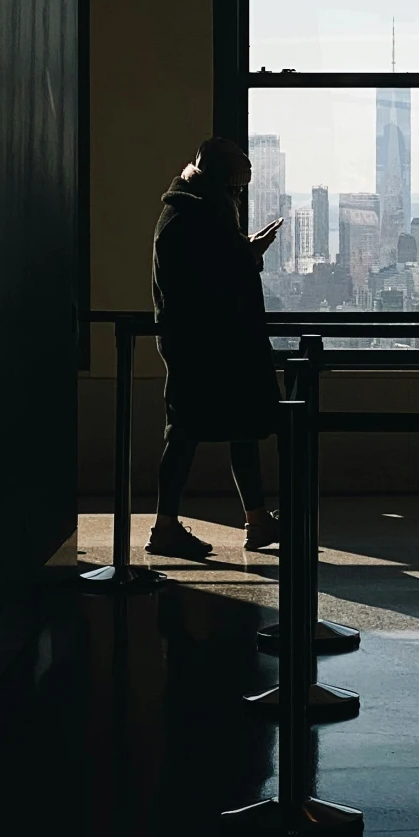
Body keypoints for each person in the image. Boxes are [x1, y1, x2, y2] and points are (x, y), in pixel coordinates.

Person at [148, 137, 285, 557]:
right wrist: (249, 253)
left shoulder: (186, 211)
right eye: (235, 186)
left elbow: (204, 268)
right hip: (211, 345)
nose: (237, 194)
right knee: (201, 432)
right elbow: (214, 277)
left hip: (200, 344)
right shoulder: (199, 215)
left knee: (197, 431)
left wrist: (243, 251)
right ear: (222, 182)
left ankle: (253, 519)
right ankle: (172, 526)